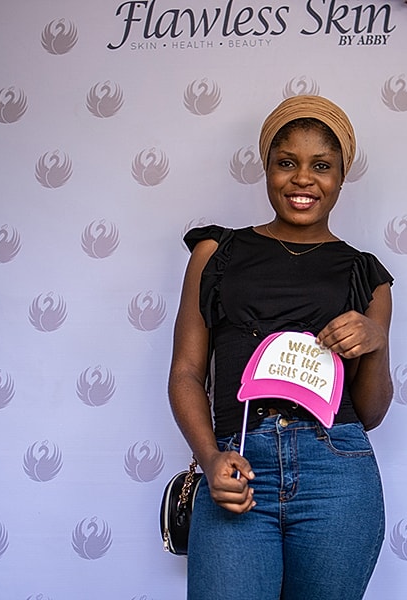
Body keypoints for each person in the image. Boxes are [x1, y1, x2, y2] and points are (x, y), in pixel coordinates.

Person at [168, 94, 394, 600]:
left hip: (337, 469)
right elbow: (186, 372)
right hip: (239, 464)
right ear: (265, 166)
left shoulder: (367, 277)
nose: (302, 180)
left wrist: (376, 343)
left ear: (341, 175)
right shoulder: (216, 253)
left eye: (322, 166)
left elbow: (372, 412)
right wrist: (209, 458)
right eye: (286, 163)